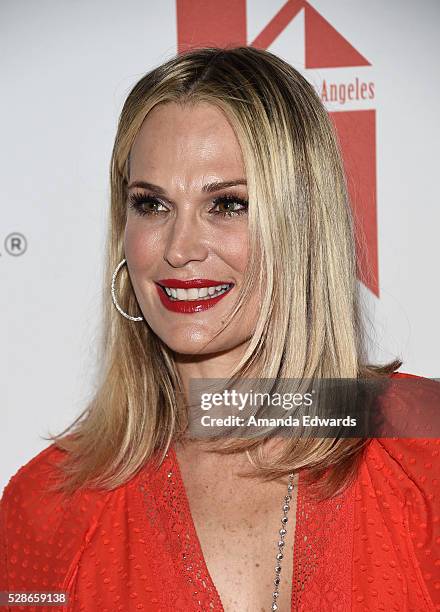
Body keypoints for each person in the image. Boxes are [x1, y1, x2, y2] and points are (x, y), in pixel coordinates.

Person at [1, 46, 439, 612]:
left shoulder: (424, 454)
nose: (179, 249)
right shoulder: (47, 508)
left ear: (303, 225)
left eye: (228, 204)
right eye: (152, 204)